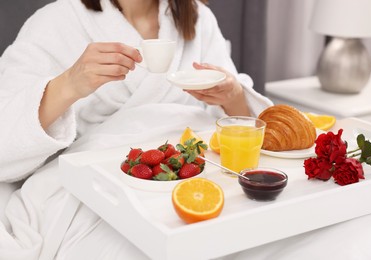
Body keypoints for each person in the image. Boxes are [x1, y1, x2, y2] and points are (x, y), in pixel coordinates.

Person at [0, 0, 272, 259]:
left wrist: (232, 94)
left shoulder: (197, 19)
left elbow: (243, 126)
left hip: (199, 176)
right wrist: (69, 84)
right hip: (102, 187)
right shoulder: (56, 21)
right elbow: (6, 136)